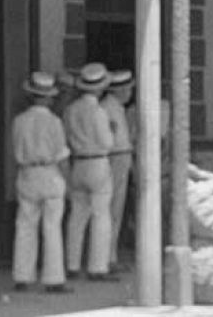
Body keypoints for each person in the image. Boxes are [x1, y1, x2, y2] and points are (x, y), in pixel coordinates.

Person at [11, 70, 72, 294]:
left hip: (27, 172)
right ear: (48, 97)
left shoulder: (18, 121)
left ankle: (22, 275)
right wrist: (69, 182)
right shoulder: (54, 122)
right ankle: (53, 278)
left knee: (25, 225)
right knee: (52, 227)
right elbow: (61, 155)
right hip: (50, 172)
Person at [63, 61, 115, 281]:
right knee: (101, 215)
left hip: (78, 162)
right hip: (98, 161)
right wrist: (113, 132)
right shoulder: (99, 112)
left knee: (77, 216)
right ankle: (97, 267)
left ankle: (72, 264)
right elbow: (107, 142)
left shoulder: (70, 110)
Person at [103, 68, 135, 273]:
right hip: (114, 158)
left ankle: (109, 255)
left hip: (120, 157)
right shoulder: (109, 108)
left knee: (115, 209)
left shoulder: (116, 107)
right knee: (113, 209)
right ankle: (108, 257)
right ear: (121, 90)